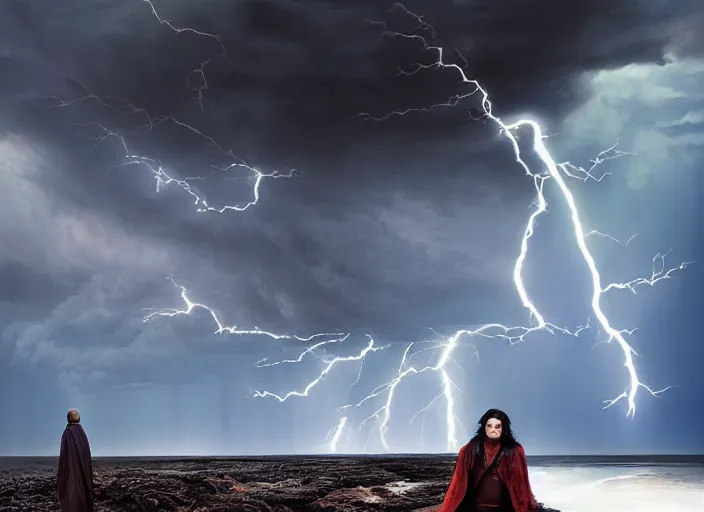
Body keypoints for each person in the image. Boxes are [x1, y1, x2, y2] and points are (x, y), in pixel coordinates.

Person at [439, 409, 554, 512]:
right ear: (484, 427)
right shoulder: (468, 450)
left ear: (503, 429)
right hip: (474, 508)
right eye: (489, 426)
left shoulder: (514, 450)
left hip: (505, 507)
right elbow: (457, 482)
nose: (493, 430)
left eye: (497, 426)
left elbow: (521, 486)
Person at [57, 409, 94, 512]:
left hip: (71, 475)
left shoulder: (68, 433)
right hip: (83, 475)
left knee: (71, 500)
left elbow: (64, 457)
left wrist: (61, 479)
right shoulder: (82, 434)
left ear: (68, 419)